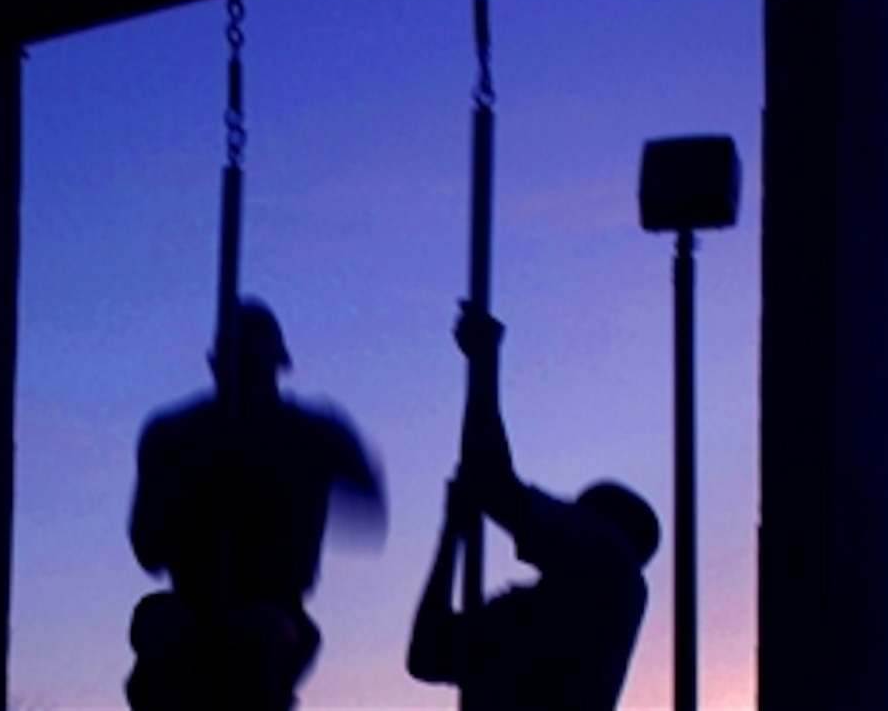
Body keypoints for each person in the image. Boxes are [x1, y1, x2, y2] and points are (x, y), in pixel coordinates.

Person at [127, 298, 385, 710]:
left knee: (257, 632)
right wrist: (198, 472)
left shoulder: (309, 433)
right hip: (190, 602)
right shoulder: (174, 435)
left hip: (275, 608)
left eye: (257, 369)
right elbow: (147, 549)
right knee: (165, 631)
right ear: (217, 366)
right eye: (241, 367)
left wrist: (283, 468)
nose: (250, 382)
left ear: (277, 369)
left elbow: (370, 503)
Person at [407, 304, 660, 709]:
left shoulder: (612, 563)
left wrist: (484, 363)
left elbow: (490, 481)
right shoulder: (523, 610)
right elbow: (427, 655)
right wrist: (452, 535)